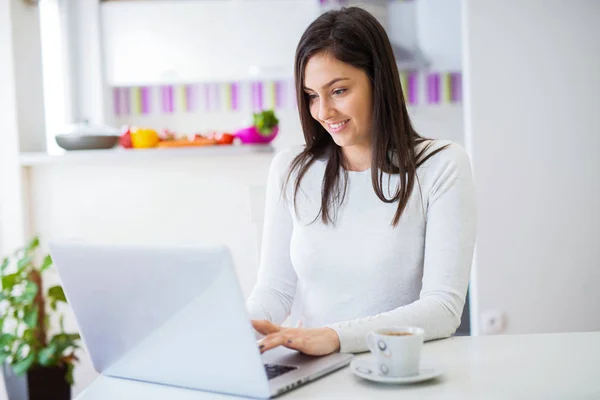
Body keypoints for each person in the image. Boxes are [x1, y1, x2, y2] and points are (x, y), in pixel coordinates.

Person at [246, 6, 476, 356]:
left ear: (378, 80)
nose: (323, 112)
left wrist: (334, 337)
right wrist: (241, 326)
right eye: (311, 96)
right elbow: (275, 291)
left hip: (401, 369)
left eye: (338, 91)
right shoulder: (291, 169)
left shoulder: (440, 165)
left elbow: (442, 309)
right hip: (315, 372)